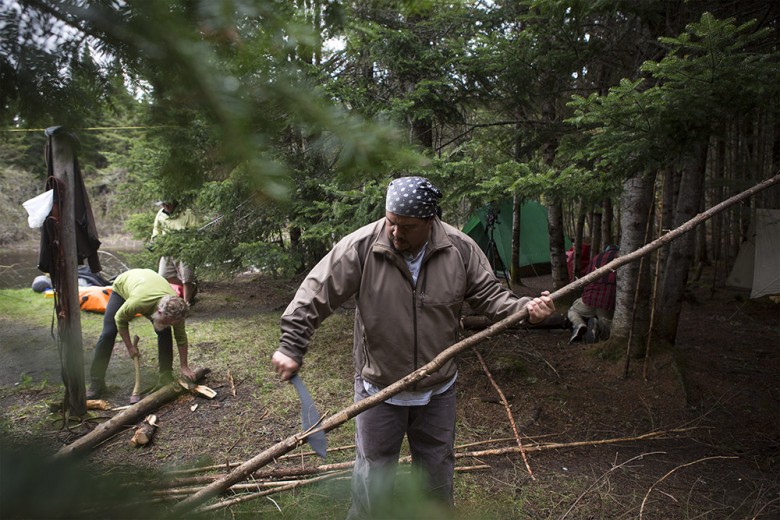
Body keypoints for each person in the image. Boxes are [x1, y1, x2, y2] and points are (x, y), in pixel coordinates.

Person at [271, 176, 555, 518]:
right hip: (379, 387)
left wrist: (526, 310)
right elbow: (314, 294)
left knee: (435, 477)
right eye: (390, 222)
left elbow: (493, 298)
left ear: (430, 222)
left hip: (438, 391)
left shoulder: (459, 249)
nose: (395, 233)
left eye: (406, 226)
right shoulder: (362, 247)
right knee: (373, 480)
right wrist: (291, 345)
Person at [87, 268, 196, 402]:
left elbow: (180, 338)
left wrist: (184, 365)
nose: (171, 324)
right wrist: (130, 347)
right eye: (168, 322)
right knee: (108, 333)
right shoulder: (139, 302)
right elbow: (120, 319)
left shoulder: (177, 311)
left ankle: (165, 375)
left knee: (164, 331)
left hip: (150, 284)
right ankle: (96, 382)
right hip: (124, 285)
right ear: (159, 312)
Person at [568, 244, 619, 344]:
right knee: (607, 326)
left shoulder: (597, 257)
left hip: (590, 298)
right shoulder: (622, 257)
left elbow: (588, 277)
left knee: (573, 311)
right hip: (607, 301)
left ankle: (579, 324)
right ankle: (598, 326)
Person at [152, 200, 198, 305]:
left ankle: (186, 304)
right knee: (164, 275)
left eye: (168, 204)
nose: (166, 206)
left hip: (184, 249)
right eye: (163, 204)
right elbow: (156, 229)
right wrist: (155, 239)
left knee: (186, 278)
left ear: (174, 203)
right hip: (167, 249)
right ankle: (192, 287)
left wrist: (188, 244)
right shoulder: (160, 213)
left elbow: (193, 230)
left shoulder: (187, 212)